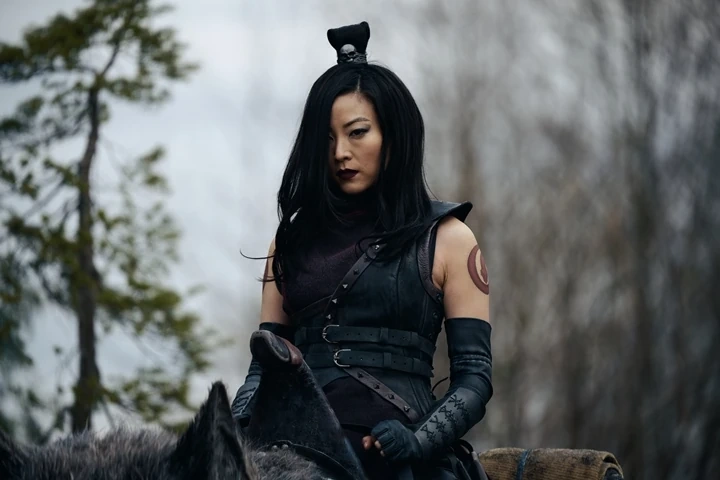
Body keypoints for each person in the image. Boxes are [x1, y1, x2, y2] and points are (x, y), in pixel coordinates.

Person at [231, 21, 493, 480]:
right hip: (291, 445)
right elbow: (263, 368)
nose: (340, 153)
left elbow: (474, 379)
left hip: (400, 456)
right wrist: (230, 431)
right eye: (327, 139)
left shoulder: (449, 238)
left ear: (394, 136)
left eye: (357, 133)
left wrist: (418, 440)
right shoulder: (288, 242)